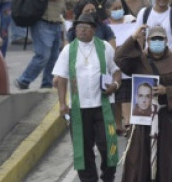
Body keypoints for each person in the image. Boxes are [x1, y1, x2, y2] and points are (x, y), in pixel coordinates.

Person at [115, 24, 172, 182]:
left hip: (164, 117)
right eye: (153, 38)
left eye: (160, 39)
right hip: (141, 118)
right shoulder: (138, 59)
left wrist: (167, 90)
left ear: (166, 40)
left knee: (164, 158)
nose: (157, 42)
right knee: (138, 158)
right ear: (147, 40)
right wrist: (134, 37)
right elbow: (119, 58)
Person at [52, 13, 121, 182]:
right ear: (75, 30)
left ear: (94, 30)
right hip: (79, 107)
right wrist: (62, 103)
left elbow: (116, 71)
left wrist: (115, 85)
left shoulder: (105, 47)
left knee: (107, 145)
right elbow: (61, 77)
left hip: (103, 105)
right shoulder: (69, 50)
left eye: (87, 27)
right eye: (79, 27)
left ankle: (108, 176)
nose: (83, 30)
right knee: (83, 148)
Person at [16, 0, 78, 90]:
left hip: (56, 21)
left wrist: (77, 0)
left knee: (54, 57)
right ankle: (24, 79)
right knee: (43, 55)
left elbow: (65, 0)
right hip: (43, 21)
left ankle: (47, 83)